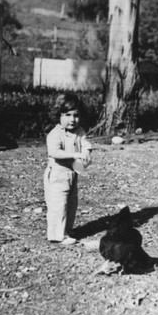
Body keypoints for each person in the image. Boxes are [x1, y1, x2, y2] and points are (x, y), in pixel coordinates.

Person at [44, 92, 92, 244]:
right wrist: (75, 155)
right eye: (67, 115)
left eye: (76, 115)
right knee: (58, 204)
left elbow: (86, 146)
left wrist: (85, 155)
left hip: (72, 174)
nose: (72, 119)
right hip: (58, 175)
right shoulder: (55, 134)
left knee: (71, 204)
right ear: (58, 115)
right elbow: (54, 152)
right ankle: (57, 235)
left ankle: (67, 229)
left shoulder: (80, 132)